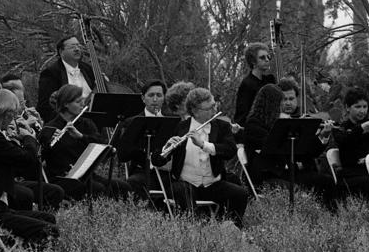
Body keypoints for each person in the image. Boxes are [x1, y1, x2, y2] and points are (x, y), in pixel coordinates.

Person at [0, 89, 59, 247]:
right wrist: (29, 137)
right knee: (49, 229)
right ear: (8, 114)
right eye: (14, 115)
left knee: (48, 218)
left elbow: (17, 161)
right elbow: (27, 160)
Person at [152, 88, 250, 227]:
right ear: (195, 111)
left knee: (240, 194)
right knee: (182, 192)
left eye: (214, 105)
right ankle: (194, 233)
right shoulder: (179, 127)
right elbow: (156, 160)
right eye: (210, 108)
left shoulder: (222, 126)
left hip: (212, 184)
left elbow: (230, 150)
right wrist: (166, 149)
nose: (214, 110)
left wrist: (204, 144)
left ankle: (229, 230)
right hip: (186, 184)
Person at [247, 84, 337, 211]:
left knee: (325, 181)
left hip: (289, 172)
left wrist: (322, 136)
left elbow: (306, 152)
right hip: (269, 175)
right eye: (281, 101)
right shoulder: (254, 124)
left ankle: (329, 218)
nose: (284, 105)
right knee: (293, 189)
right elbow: (271, 148)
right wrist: (283, 127)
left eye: (290, 99)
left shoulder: (285, 121)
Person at [40, 85, 129, 200]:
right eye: (78, 102)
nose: (83, 104)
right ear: (66, 104)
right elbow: (42, 155)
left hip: (87, 175)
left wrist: (81, 136)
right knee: (98, 189)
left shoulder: (86, 124)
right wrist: (49, 143)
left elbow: (102, 144)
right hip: (63, 177)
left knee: (122, 187)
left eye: (82, 100)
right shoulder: (50, 128)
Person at [117, 80, 168, 200]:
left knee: (181, 186)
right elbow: (123, 155)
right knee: (135, 182)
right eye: (151, 95)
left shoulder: (172, 120)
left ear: (164, 98)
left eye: (159, 95)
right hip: (142, 171)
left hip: (166, 172)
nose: (155, 100)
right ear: (143, 98)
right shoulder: (131, 122)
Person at [36, 35, 96, 121]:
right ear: (61, 51)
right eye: (72, 47)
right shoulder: (51, 73)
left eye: (78, 46)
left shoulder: (88, 69)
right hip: (67, 123)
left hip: (92, 120)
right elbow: (45, 107)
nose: (77, 49)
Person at [233, 43, 276, 126]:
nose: (267, 60)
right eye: (262, 57)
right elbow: (242, 115)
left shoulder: (270, 80)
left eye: (268, 57)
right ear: (253, 61)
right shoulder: (247, 84)